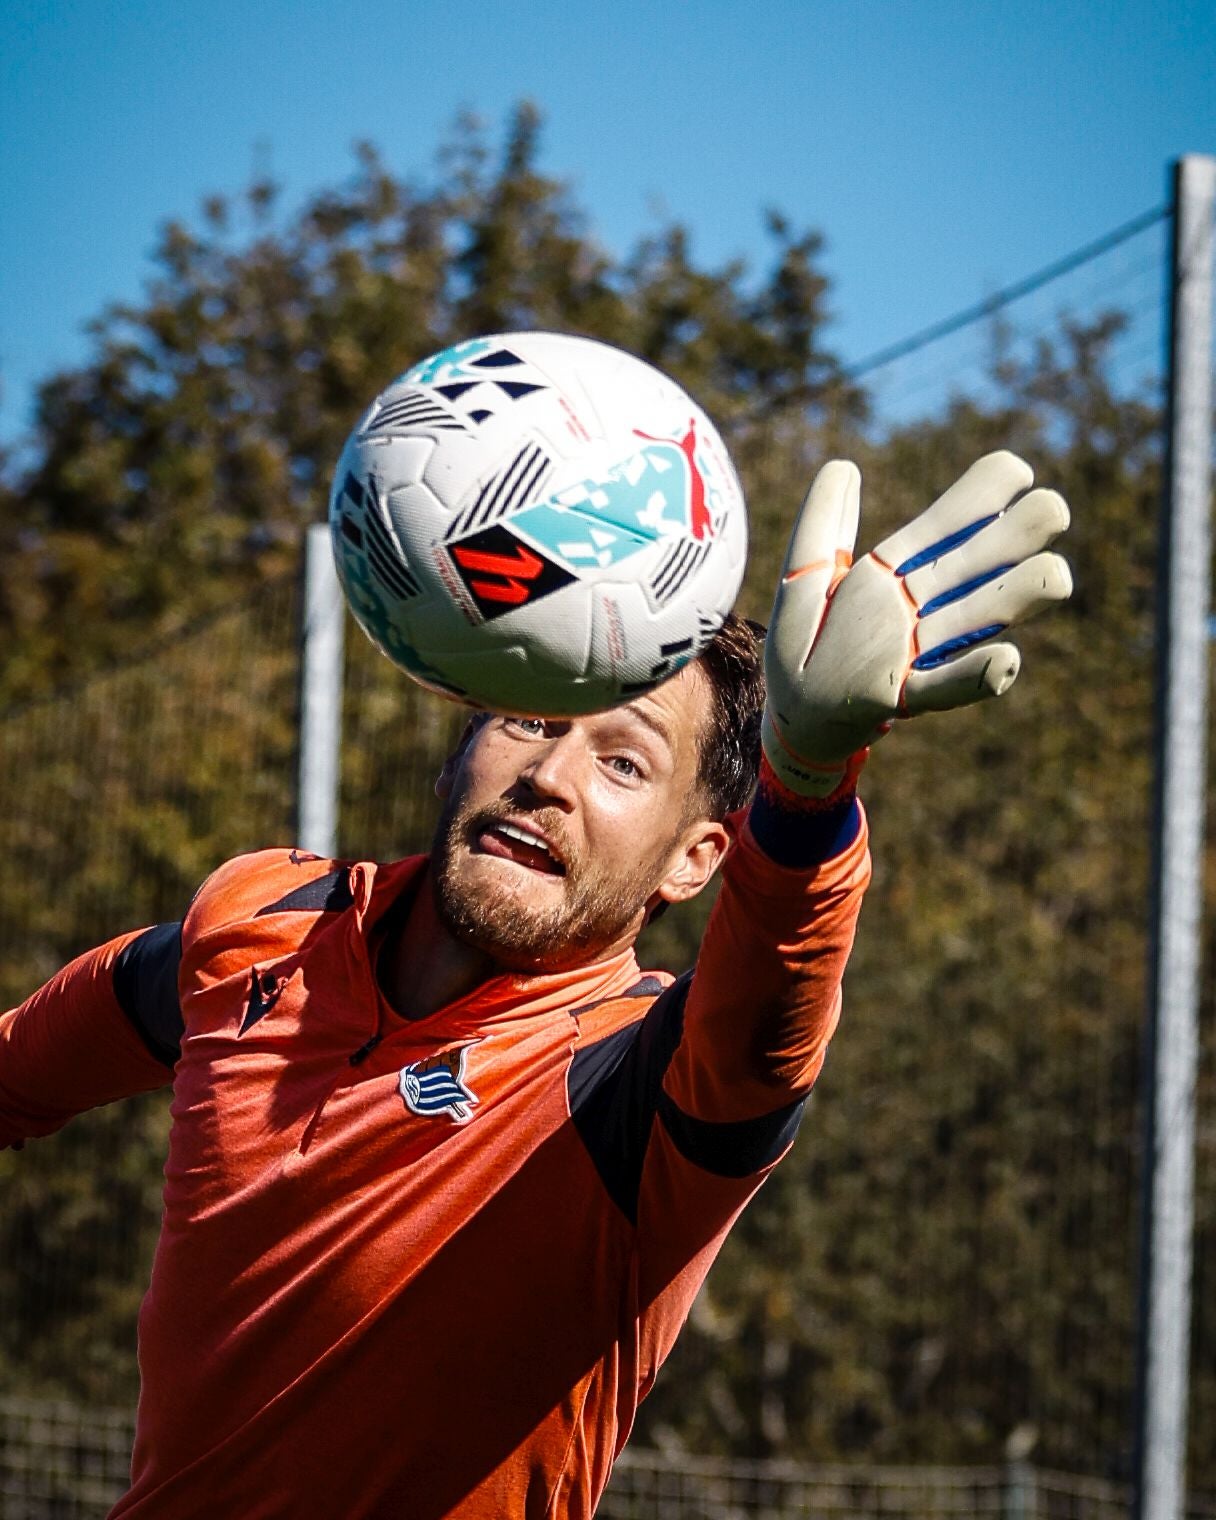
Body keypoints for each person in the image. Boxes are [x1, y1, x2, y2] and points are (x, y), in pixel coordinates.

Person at [0, 450, 1071, 1519]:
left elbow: (767, 1006)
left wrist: (805, 790)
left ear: (693, 859)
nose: (549, 775)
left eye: (623, 762)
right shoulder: (257, 924)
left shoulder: (636, 1080)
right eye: (532, 715)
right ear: (462, 739)